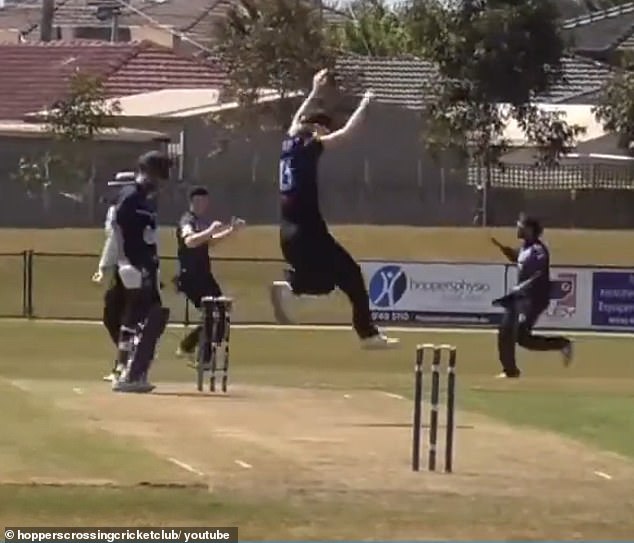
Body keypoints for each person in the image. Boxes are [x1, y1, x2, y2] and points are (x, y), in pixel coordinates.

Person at [269, 68, 398, 349]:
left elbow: (296, 118)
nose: (324, 133)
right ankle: (368, 335)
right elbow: (347, 134)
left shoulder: (288, 144)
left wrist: (315, 90)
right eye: (322, 129)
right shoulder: (307, 146)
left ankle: (291, 288)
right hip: (309, 232)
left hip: (288, 233)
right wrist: (366, 103)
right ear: (316, 129)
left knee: (329, 282)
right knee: (351, 274)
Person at [111, 151, 171, 393]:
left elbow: (148, 236)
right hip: (134, 266)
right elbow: (116, 229)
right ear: (147, 172)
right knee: (145, 318)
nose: (161, 182)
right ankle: (128, 373)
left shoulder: (147, 200)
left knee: (141, 318)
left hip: (147, 266)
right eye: (158, 176)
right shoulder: (130, 197)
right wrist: (124, 262)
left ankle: (128, 371)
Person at [491, 213, 573, 378]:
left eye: (520, 225)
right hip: (522, 296)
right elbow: (520, 260)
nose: (517, 227)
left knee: (512, 332)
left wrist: (520, 288)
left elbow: (538, 273)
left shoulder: (538, 250)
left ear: (529, 229)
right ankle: (511, 370)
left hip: (534, 298)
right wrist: (507, 252)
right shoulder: (525, 248)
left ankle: (511, 371)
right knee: (516, 335)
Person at [174, 186, 245, 364]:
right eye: (198, 202)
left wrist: (231, 231)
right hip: (191, 277)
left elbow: (209, 243)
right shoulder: (187, 220)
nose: (202, 205)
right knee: (212, 314)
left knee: (221, 313)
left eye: (204, 202)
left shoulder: (201, 221)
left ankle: (200, 352)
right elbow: (190, 241)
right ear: (191, 202)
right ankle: (194, 351)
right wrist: (210, 231)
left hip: (205, 275)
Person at [92, 172, 135, 382]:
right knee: (113, 316)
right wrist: (104, 267)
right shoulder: (117, 209)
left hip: (130, 268)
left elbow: (117, 241)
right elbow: (112, 241)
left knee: (124, 317)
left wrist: (104, 267)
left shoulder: (127, 210)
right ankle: (126, 359)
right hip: (122, 267)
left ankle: (127, 362)